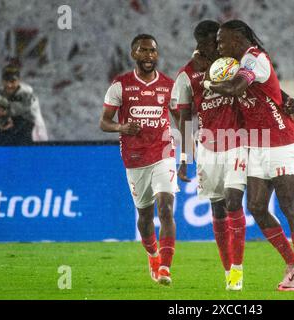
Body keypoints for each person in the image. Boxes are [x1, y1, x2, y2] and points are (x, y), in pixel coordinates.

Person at [203, 20, 294, 291]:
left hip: (283, 142)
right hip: (258, 143)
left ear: (237, 40)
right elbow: (266, 87)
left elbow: (236, 88)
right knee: (257, 207)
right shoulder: (240, 63)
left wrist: (208, 83)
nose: (218, 47)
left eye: (221, 41)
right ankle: (292, 263)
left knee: (290, 208)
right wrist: (283, 95)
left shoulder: (254, 59)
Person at [173, 20, 248, 291]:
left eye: (219, 42)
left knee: (234, 201)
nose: (218, 47)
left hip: (237, 142)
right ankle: (228, 271)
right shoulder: (186, 76)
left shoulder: (232, 65)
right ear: (200, 44)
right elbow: (184, 119)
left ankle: (237, 273)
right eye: (213, 43)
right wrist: (184, 157)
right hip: (207, 148)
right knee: (217, 208)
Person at [99, 34, 178, 286]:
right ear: (134, 54)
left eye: (152, 51)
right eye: (143, 51)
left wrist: (187, 152)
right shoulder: (120, 85)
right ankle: (153, 255)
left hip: (164, 153)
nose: (148, 55)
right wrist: (122, 127)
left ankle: (165, 267)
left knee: (166, 208)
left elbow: (182, 117)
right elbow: (104, 122)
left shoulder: (168, 85)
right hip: (135, 159)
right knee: (144, 216)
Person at [0, 65, 48, 141]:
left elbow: (18, 109)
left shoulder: (28, 95)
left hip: (28, 137)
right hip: (3, 138)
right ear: (2, 81)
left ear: (18, 81)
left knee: (21, 121)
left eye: (13, 81)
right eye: (6, 80)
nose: (9, 85)